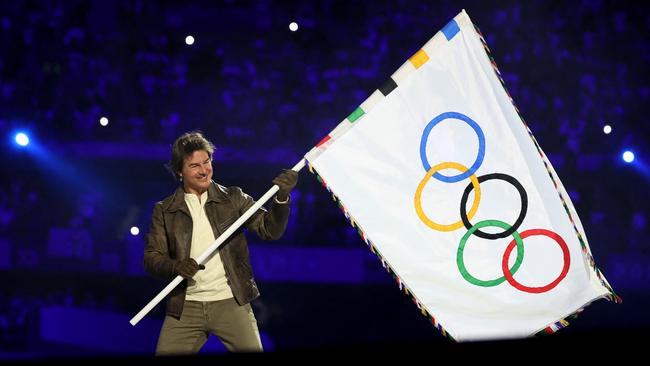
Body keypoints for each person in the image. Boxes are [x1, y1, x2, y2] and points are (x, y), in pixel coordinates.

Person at [144, 131, 298, 354]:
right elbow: (152, 259)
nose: (204, 170)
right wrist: (176, 266)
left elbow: (270, 230)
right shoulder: (164, 210)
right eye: (195, 165)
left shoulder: (233, 198)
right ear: (180, 171)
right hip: (185, 306)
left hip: (231, 302)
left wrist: (282, 198)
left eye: (206, 162)